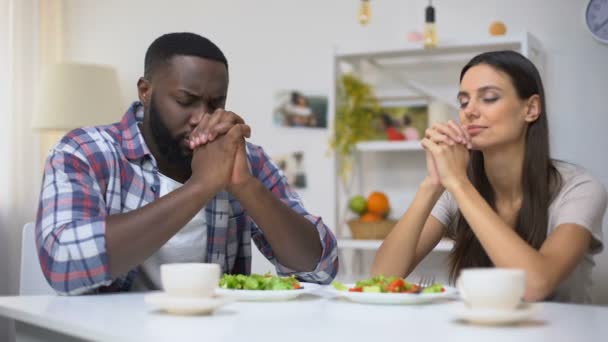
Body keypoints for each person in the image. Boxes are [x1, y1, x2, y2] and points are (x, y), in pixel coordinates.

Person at [35, 32, 338, 295]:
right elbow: (64, 265)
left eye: (215, 103)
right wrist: (202, 186)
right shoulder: (85, 152)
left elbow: (321, 268)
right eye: (184, 101)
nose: (200, 118)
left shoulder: (243, 158)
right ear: (145, 91)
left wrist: (246, 186)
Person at [372, 50, 607, 304]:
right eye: (463, 101)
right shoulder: (457, 185)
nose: (469, 111)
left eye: (489, 98)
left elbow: (535, 286)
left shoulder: (578, 189)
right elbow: (383, 278)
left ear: (531, 109)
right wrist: (432, 184)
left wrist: (459, 183)